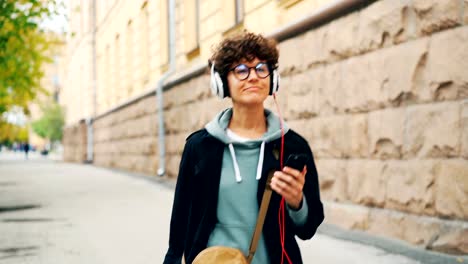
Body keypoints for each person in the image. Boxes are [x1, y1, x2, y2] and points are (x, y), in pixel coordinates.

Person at [163, 31, 324, 264]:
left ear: (273, 79)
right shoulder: (200, 147)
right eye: (241, 70)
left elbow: (308, 228)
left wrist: (296, 202)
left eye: (261, 68)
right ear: (221, 83)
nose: (253, 77)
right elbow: (179, 228)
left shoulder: (292, 146)